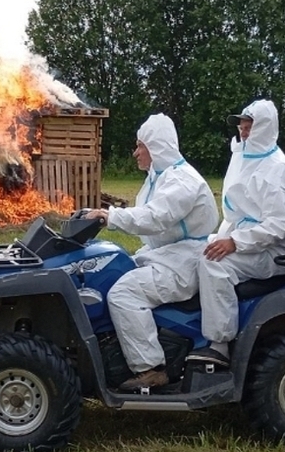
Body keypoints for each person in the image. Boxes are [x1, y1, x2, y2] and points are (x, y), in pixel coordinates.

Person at [85, 113, 219, 391]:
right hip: (167, 255)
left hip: (184, 263)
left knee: (124, 294)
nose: (135, 152)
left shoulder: (181, 181)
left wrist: (110, 217)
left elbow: (155, 217)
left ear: (156, 146)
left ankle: (151, 368)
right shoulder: (159, 176)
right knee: (111, 272)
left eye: (140, 145)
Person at [186, 99, 285, 367]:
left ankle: (220, 345)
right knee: (192, 247)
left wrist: (233, 243)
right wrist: (223, 238)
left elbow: (277, 227)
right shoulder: (246, 158)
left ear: (265, 127)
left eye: (249, 124)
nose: (243, 129)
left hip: (274, 250)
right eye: (241, 123)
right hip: (247, 238)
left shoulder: (282, 170)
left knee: (213, 265)